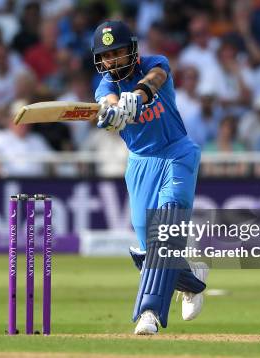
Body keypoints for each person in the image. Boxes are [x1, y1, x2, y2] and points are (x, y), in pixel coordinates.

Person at [91, 20, 208, 335]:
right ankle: (191, 279)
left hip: (177, 152)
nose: (112, 60)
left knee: (166, 222)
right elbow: (107, 100)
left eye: (117, 52)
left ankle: (149, 313)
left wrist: (138, 96)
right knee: (147, 249)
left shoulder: (155, 63)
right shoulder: (105, 85)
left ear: (131, 49)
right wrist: (113, 110)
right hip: (141, 164)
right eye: (106, 56)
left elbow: (156, 78)